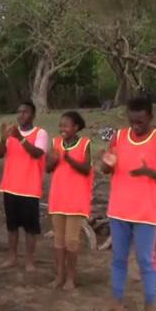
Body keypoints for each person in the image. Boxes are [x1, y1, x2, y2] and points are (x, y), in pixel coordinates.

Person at [99, 96, 156, 311]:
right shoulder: (119, 136)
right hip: (119, 210)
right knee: (118, 258)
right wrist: (106, 162)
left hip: (146, 213)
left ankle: (151, 306)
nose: (135, 125)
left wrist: (148, 172)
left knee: (146, 261)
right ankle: (117, 299)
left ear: (150, 117)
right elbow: (106, 168)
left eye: (140, 121)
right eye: (132, 121)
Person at [0, 101, 48, 272]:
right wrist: (3, 139)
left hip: (30, 188)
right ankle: (12, 257)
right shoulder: (11, 134)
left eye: (25, 112)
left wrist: (20, 138)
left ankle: (29, 261)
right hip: (10, 187)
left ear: (33, 115)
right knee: (11, 226)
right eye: (19, 112)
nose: (21, 115)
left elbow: (37, 153)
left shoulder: (41, 133)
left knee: (30, 228)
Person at [46, 111, 93, 291]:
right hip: (58, 197)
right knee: (58, 239)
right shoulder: (55, 143)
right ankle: (59, 275)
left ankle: (71, 277)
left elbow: (86, 169)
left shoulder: (85, 143)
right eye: (61, 125)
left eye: (66, 125)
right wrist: (54, 160)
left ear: (75, 128)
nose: (62, 129)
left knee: (71, 240)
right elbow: (48, 168)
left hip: (76, 199)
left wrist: (68, 159)